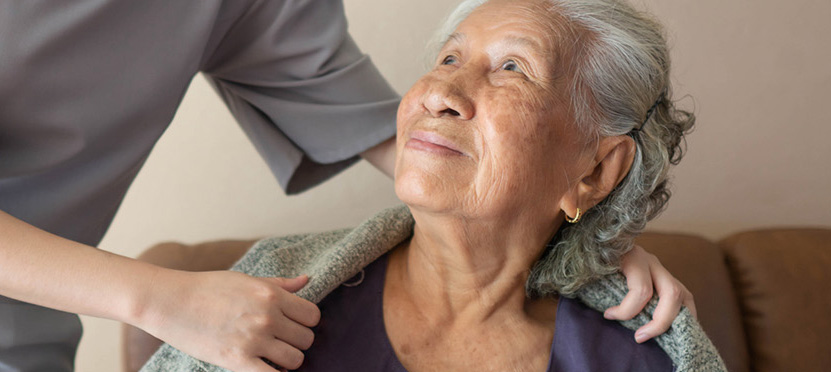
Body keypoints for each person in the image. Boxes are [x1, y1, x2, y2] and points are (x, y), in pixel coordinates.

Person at [0, 0, 693, 371]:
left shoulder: (637, 348)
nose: (442, 86)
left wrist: (586, 224)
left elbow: (381, 124)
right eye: (446, 58)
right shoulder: (282, 292)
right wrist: (155, 297)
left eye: (511, 68)